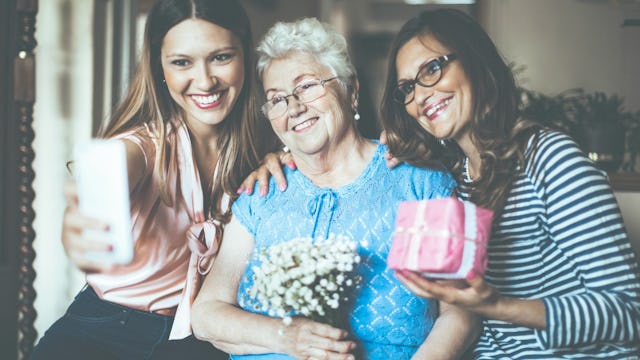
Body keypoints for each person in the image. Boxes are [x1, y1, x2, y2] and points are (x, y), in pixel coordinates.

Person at [192, 17, 480, 360]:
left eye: (308, 86)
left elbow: (460, 312)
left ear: (351, 90)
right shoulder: (261, 194)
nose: (294, 107)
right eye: (278, 99)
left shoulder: (418, 184)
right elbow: (206, 314)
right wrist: (287, 337)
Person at [379, 8, 640, 359]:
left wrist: (497, 305)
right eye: (407, 88)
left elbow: (627, 312)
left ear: (474, 62)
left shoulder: (549, 159)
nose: (421, 95)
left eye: (432, 68)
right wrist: (281, 158)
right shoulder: (448, 179)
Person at [30, 0, 278, 359]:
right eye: (182, 62)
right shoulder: (143, 147)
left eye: (221, 57)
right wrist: (83, 210)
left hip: (197, 338)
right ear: (159, 67)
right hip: (103, 331)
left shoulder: (259, 149)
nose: (205, 80)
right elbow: (113, 168)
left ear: (245, 55)